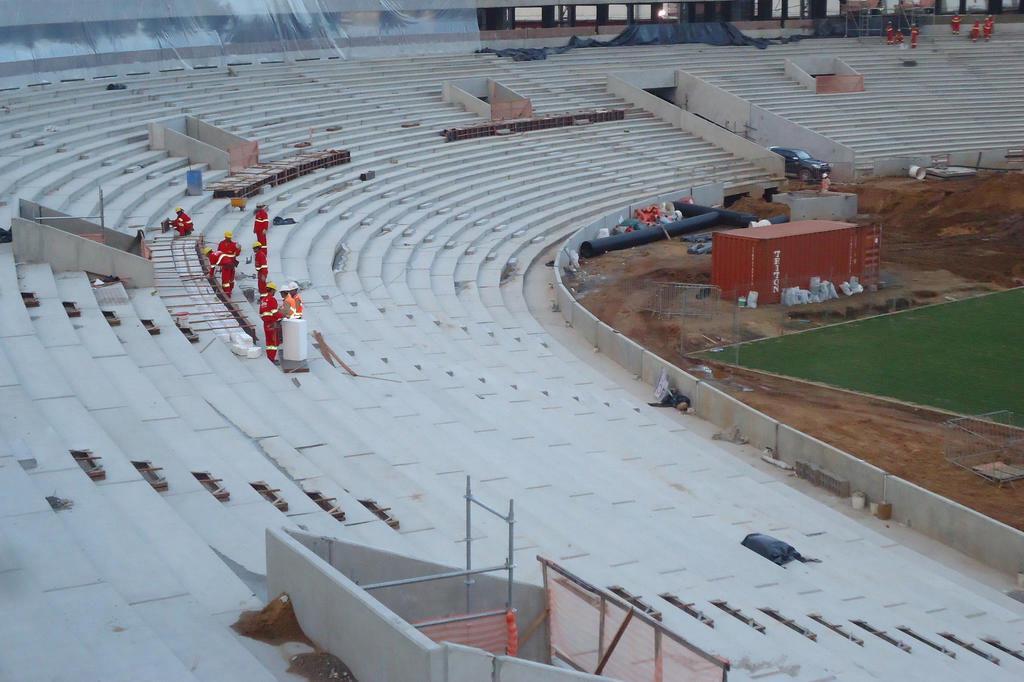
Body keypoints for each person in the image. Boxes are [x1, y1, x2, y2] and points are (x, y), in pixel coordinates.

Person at [260, 282, 282, 362]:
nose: (275, 292)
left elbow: (261, 313)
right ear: (272, 290)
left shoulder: (263, 300)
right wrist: (282, 316)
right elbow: (274, 312)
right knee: (273, 342)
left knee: (269, 342)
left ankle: (270, 357)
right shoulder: (272, 299)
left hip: (266, 324)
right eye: (274, 291)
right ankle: (272, 358)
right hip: (272, 323)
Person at [216, 231, 241, 296]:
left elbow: (237, 254)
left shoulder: (234, 244)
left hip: (231, 265)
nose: (229, 239)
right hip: (225, 265)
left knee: (231, 279)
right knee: (225, 280)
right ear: (225, 237)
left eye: (229, 238)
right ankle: (227, 292)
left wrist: (239, 249)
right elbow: (218, 253)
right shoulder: (221, 243)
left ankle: (229, 290)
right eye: (228, 237)